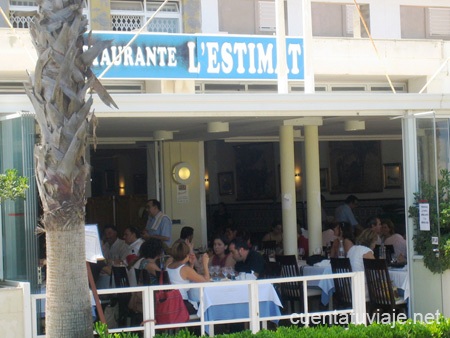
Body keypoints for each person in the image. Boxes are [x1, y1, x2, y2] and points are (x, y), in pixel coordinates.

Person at [166, 241, 210, 314]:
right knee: (205, 309)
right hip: (181, 304)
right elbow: (206, 281)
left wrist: (191, 264)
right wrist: (205, 264)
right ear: (187, 255)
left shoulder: (168, 264)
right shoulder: (184, 269)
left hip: (171, 302)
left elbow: (184, 277)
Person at [346, 228, 377, 300]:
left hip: (348, 288)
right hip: (361, 289)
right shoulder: (366, 251)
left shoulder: (352, 249)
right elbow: (375, 273)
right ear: (372, 241)